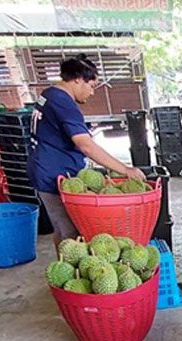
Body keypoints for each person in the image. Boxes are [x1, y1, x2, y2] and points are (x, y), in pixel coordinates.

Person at [27, 54, 146, 243]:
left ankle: (65, 264)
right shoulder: (63, 103)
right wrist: (125, 169)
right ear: (78, 80)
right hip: (54, 175)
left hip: (44, 169)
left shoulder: (49, 94)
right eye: (91, 86)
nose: (92, 93)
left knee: (61, 230)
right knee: (71, 234)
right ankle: (69, 269)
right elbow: (86, 145)